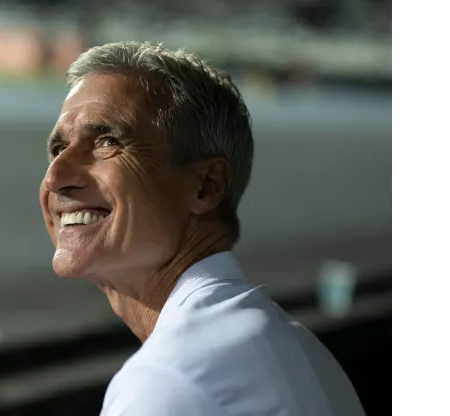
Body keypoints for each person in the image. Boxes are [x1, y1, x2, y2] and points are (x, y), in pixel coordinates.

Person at [38, 41, 364, 415]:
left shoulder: (169, 379)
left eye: (108, 141)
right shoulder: (300, 348)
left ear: (206, 185)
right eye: (57, 148)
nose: (55, 175)